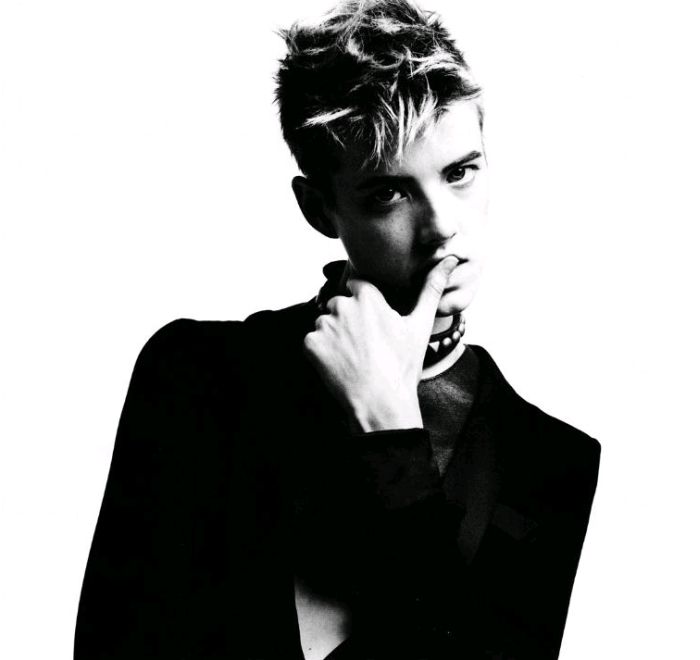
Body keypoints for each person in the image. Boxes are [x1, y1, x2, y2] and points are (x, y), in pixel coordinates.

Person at [74, 1, 600, 658]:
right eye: (389, 193)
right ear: (319, 208)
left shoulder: (549, 463)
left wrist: (391, 434)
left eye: (461, 172)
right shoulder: (195, 376)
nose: (443, 228)